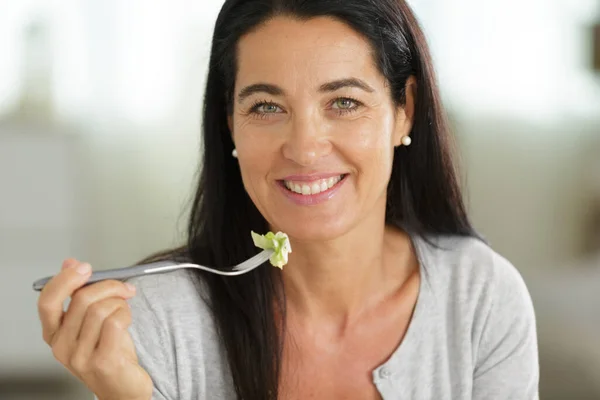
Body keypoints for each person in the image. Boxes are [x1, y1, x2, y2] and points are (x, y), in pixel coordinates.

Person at [36, 0, 539, 399]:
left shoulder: (480, 297)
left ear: (404, 111)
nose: (303, 148)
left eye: (344, 102)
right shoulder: (157, 322)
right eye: (266, 106)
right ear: (229, 123)